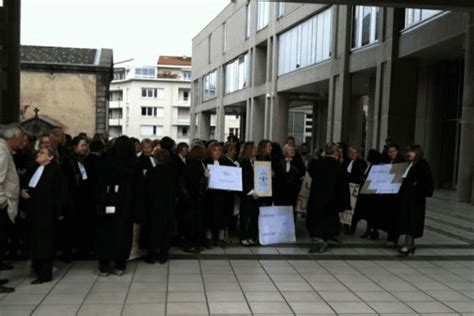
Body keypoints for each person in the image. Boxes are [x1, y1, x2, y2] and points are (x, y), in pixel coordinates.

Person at [95, 136, 138, 276]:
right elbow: (139, 189)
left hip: (106, 202)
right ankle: (120, 265)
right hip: (126, 205)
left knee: (105, 233)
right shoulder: (133, 163)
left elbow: (97, 184)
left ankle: (104, 265)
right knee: (123, 234)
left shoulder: (105, 161)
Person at [24, 147, 63, 284]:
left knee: (45, 243)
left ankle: (45, 274)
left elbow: (59, 193)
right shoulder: (35, 168)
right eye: (38, 152)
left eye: (42, 153)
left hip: (47, 212)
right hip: (35, 211)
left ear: (50, 157)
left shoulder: (55, 170)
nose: (38, 154)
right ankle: (36, 268)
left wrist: (59, 212)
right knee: (36, 241)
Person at [306, 143, 350, 253]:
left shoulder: (316, 163)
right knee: (329, 220)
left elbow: (310, 173)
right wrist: (345, 202)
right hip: (332, 200)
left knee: (317, 220)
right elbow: (343, 186)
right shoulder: (339, 167)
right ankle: (324, 240)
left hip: (317, 199)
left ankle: (318, 240)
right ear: (335, 153)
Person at [396, 145, 434, 256]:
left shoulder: (422, 164)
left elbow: (426, 181)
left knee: (412, 220)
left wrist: (415, 186)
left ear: (417, 153)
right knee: (408, 220)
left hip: (415, 199)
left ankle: (408, 244)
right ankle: (410, 244)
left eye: (411, 152)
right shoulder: (410, 164)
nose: (409, 154)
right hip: (408, 198)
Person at [144, 149, 178, 264]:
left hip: (154, 205)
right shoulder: (173, 172)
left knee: (153, 229)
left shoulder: (151, 172)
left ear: (156, 158)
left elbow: (147, 190)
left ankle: (151, 253)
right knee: (166, 229)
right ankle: (163, 253)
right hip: (169, 204)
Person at [0, 125, 22, 293]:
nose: (22, 141)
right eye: (20, 138)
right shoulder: (2, 151)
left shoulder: (6, 150)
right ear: (12, 138)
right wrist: (4, 201)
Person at [204, 142, 234, 248]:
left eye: (219, 150)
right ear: (210, 151)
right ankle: (209, 238)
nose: (217, 152)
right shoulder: (205, 162)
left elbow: (233, 176)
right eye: (214, 150)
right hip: (209, 195)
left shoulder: (226, 162)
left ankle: (221, 239)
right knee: (210, 216)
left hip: (223, 195)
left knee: (222, 216)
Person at [181, 144, 208, 253]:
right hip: (197, 198)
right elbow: (199, 182)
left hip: (189, 198)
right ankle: (193, 243)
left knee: (190, 222)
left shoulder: (188, 164)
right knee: (195, 222)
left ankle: (190, 243)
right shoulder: (199, 165)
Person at [239, 142, 260, 246]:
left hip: (256, 194)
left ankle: (252, 237)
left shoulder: (255, 162)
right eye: (254, 148)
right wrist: (251, 192)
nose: (256, 150)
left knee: (253, 216)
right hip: (247, 194)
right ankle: (244, 237)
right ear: (249, 150)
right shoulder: (244, 163)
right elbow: (245, 180)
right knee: (245, 217)